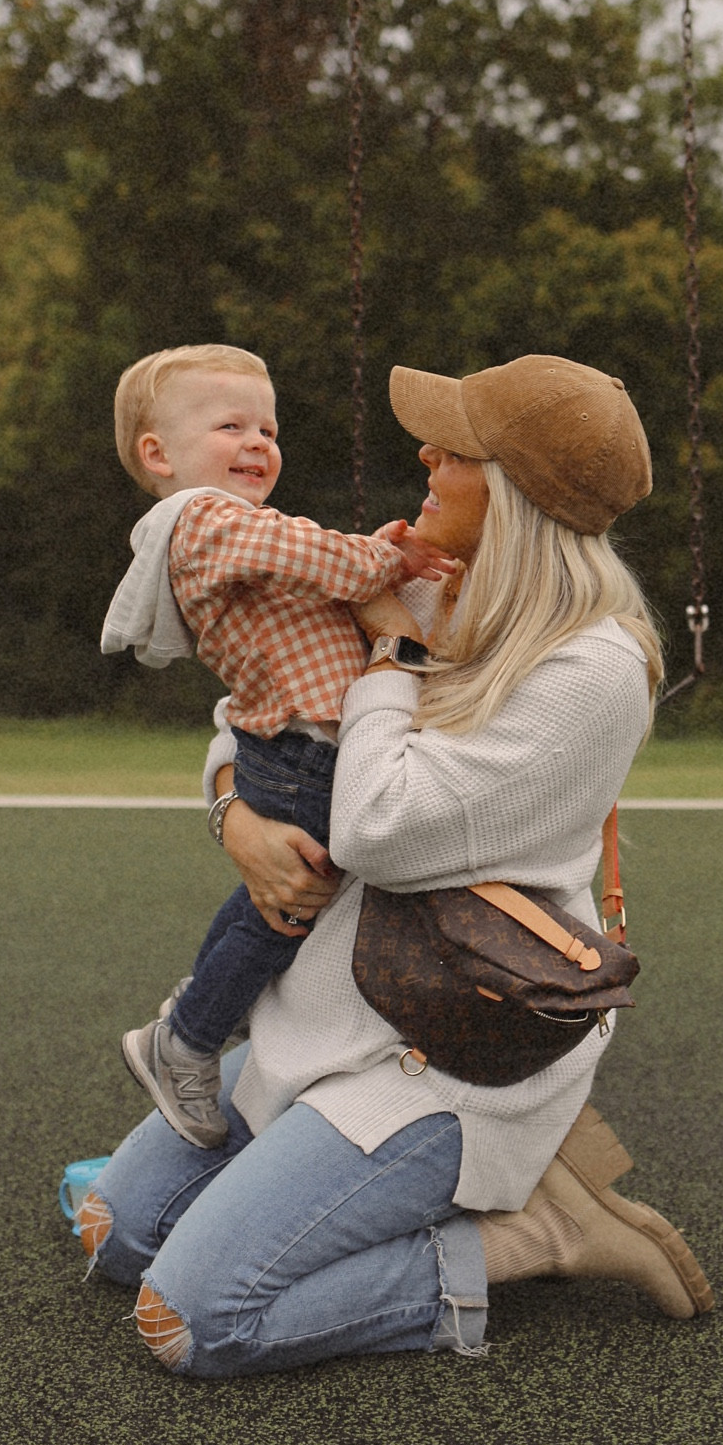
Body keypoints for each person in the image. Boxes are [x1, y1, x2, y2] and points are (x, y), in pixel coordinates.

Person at [77, 354, 714, 1377]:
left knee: (190, 1319)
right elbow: (255, 720)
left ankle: (532, 1235)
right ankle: (341, 1190)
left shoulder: (591, 668)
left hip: (433, 1053)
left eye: (453, 448)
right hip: (320, 1021)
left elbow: (379, 825)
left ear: (513, 488)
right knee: (115, 1233)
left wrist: (388, 655)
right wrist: (234, 812)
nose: (423, 453)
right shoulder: (432, 591)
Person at [100, 343, 456, 1148]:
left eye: (268, 426)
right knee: (287, 908)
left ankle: (191, 1025)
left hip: (298, 747)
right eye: (232, 425)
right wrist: (383, 556)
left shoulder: (234, 530)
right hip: (305, 754)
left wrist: (378, 558)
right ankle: (191, 1037)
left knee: (272, 904)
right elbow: (308, 554)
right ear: (159, 454)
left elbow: (309, 569)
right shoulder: (200, 520)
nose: (260, 442)